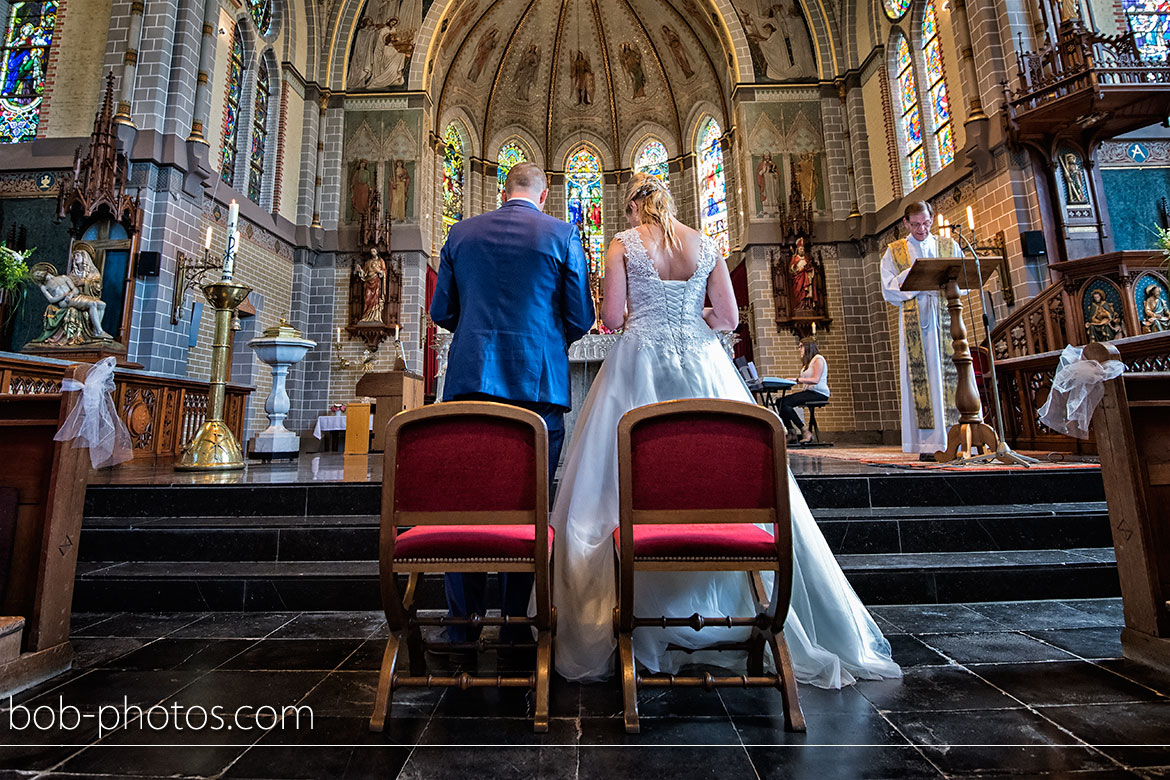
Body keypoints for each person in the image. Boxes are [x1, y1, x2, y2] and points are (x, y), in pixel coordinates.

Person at [552, 172, 901, 687]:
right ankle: (736, 603)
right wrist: (692, 314)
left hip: (638, 364)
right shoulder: (706, 243)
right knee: (718, 469)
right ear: (669, 203)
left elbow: (611, 315)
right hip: (701, 363)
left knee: (621, 478)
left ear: (631, 209)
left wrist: (642, 315)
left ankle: (632, 616)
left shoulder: (622, 244)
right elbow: (729, 318)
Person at [430, 161, 595, 644]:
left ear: (505, 191)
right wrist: (542, 340)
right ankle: (517, 624)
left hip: (468, 384)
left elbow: (442, 311)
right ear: (544, 196)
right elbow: (581, 315)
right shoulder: (562, 234)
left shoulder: (461, 234)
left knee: (465, 504)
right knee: (529, 506)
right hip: (536, 389)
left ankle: (462, 625)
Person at [880, 201, 960, 455]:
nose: (921, 229)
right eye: (915, 224)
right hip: (916, 321)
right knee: (921, 380)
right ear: (905, 223)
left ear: (932, 220)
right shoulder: (894, 252)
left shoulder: (949, 246)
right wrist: (912, 275)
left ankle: (958, 437)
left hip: (946, 318)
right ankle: (927, 444)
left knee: (951, 375)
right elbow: (888, 288)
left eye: (925, 223)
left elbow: (965, 279)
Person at [779, 337, 828, 444]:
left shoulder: (818, 359)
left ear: (808, 346)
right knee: (780, 402)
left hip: (818, 393)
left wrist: (797, 380)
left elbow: (816, 380)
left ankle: (804, 430)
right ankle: (791, 432)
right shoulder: (808, 362)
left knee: (785, 402)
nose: (799, 349)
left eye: (801, 346)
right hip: (809, 392)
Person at [354, 249, 386, 322]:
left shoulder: (381, 261)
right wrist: (360, 271)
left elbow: (383, 273)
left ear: (377, 252)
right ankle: (366, 317)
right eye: (371, 252)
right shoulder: (368, 262)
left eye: (374, 251)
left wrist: (380, 272)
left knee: (376, 299)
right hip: (368, 282)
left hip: (377, 282)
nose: (372, 253)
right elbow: (364, 274)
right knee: (367, 298)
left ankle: (376, 317)